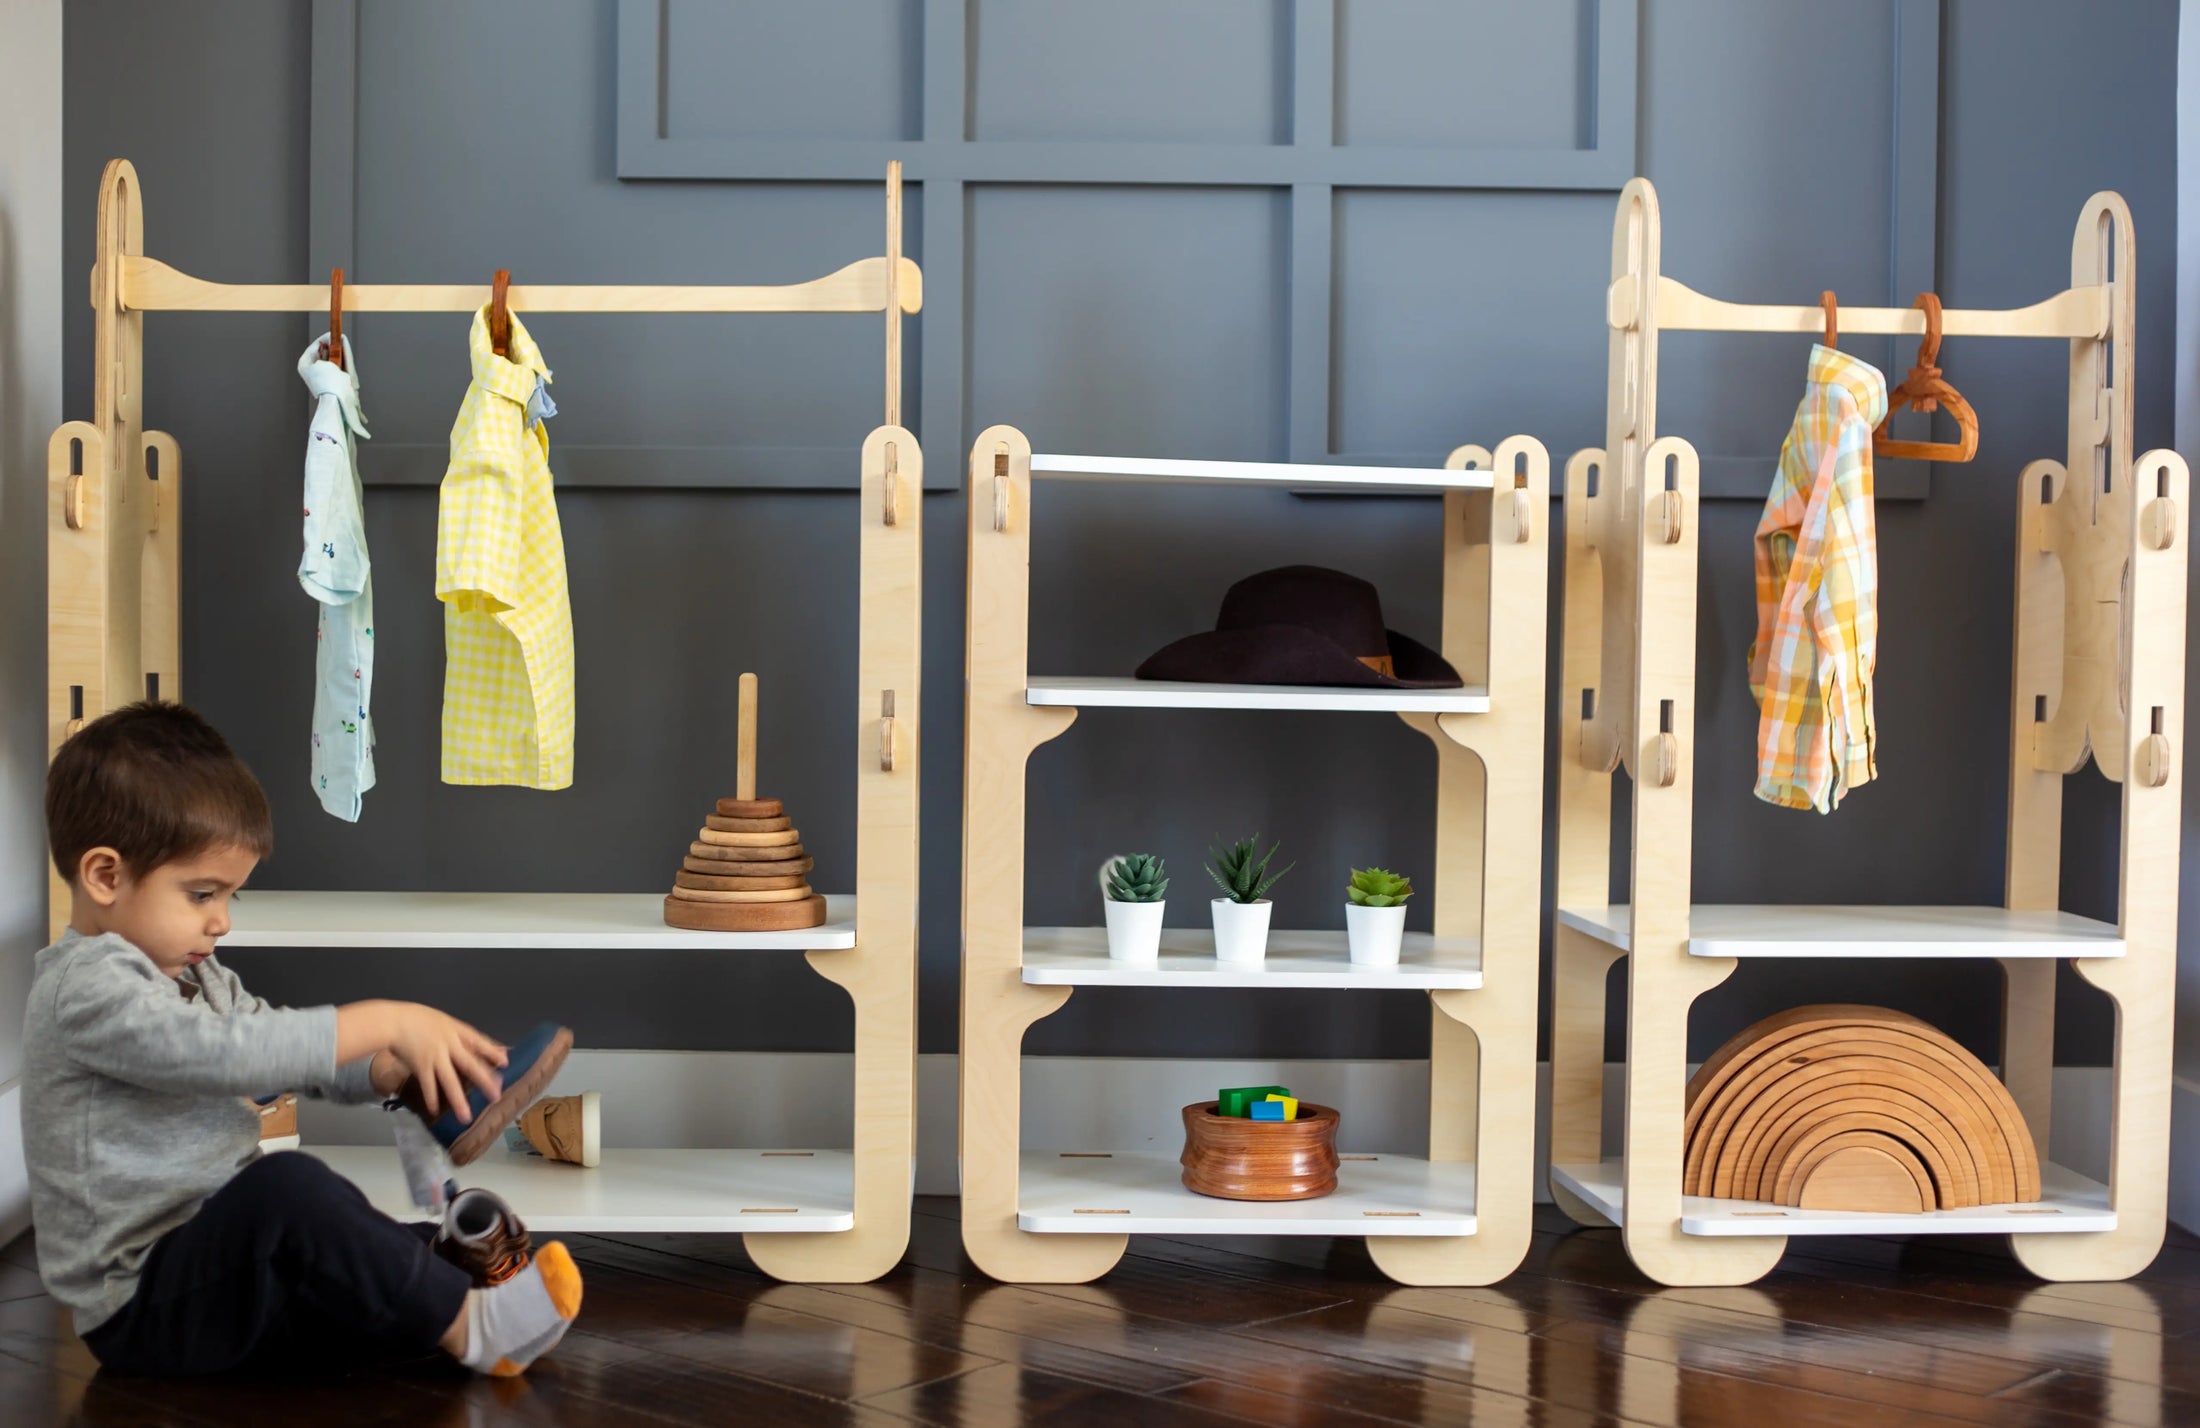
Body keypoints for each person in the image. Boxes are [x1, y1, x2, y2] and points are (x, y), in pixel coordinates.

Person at [23, 701, 582, 1376]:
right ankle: (473, 1328)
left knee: (353, 1243)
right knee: (289, 1192)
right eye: (202, 895)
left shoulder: (197, 976)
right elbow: (223, 1057)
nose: (222, 922)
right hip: (145, 1305)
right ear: (106, 876)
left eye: (232, 897)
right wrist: (384, 1018)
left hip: (222, 1264)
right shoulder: (86, 986)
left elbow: (274, 1052)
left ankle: (440, 1284)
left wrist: (386, 1069)